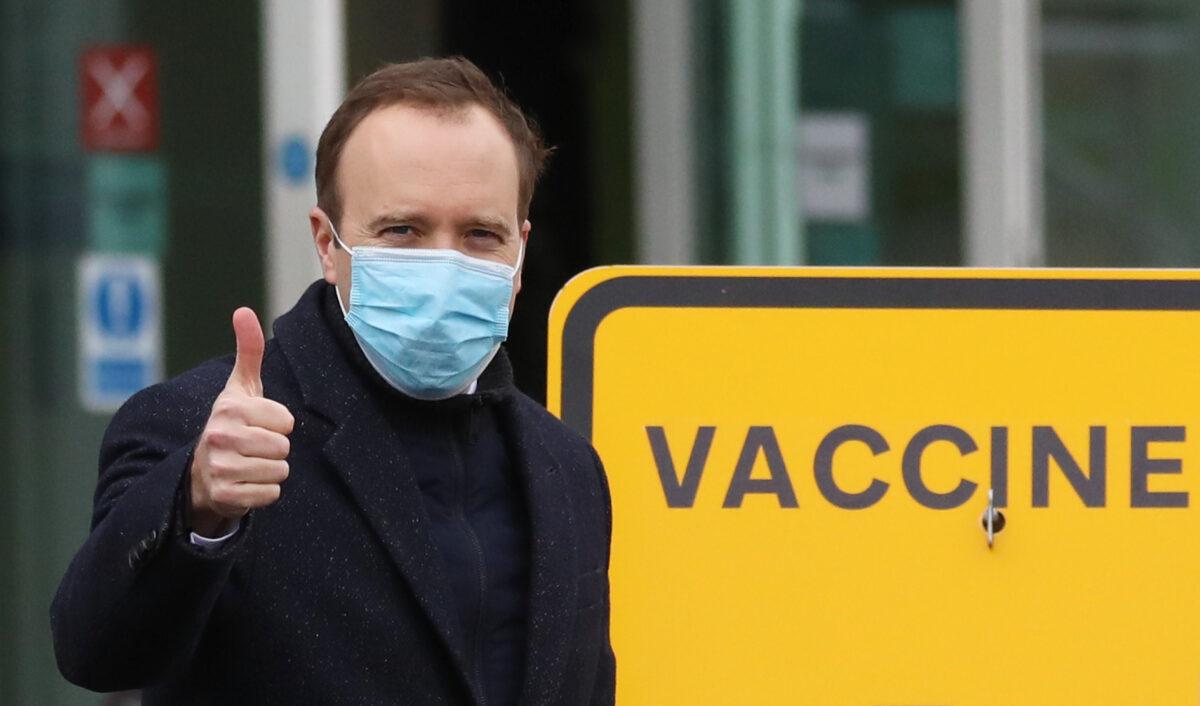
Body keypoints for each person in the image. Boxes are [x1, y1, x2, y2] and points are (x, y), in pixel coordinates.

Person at [51, 56, 615, 705]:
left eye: (480, 235)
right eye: (403, 230)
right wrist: (198, 503)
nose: (443, 263)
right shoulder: (205, 431)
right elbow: (94, 648)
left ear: (519, 254)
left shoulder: (567, 469)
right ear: (327, 243)